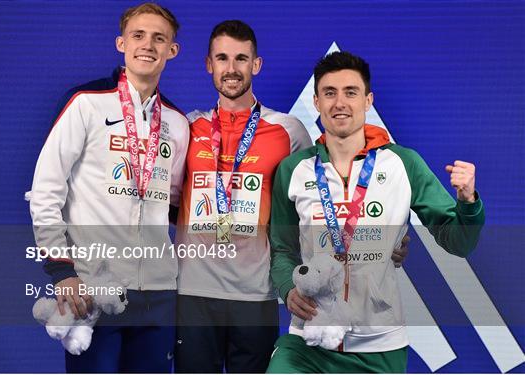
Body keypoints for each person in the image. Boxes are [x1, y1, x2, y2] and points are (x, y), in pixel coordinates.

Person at [173, 21, 409, 373]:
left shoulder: (288, 130)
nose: (232, 68)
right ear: (209, 64)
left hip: (255, 293)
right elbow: (166, 199)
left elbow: (317, 196)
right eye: (222, 58)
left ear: (256, 65)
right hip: (193, 292)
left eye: (242, 58)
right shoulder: (188, 127)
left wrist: (381, 236)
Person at [267, 51, 485, 373]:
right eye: (330, 93)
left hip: (379, 346)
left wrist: (468, 203)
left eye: (350, 92)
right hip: (309, 340)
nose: (340, 103)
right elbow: (283, 249)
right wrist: (287, 287)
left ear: (368, 100)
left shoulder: (402, 164)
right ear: (316, 102)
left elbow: (459, 242)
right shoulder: (293, 170)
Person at [28, 3, 188, 373]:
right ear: (121, 43)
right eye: (138, 35)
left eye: (159, 38)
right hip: (93, 287)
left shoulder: (178, 124)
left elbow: (175, 203)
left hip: (158, 293)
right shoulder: (85, 103)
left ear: (172, 50)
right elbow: (46, 191)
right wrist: (62, 271)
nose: (147, 45)